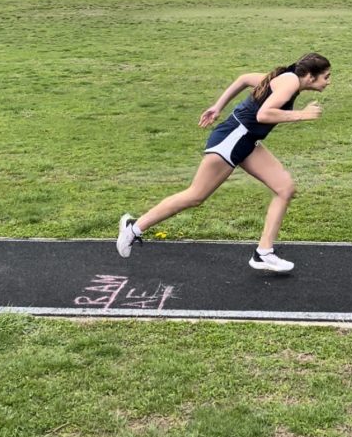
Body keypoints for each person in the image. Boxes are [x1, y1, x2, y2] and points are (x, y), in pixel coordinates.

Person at [116, 52, 331, 273]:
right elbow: (263, 115)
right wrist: (301, 115)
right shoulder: (290, 82)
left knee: (285, 189)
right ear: (310, 76)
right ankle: (134, 228)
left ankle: (264, 253)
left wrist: (217, 106)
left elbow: (244, 79)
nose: (328, 82)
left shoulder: (286, 79)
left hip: (247, 141)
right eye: (326, 76)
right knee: (195, 196)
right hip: (232, 138)